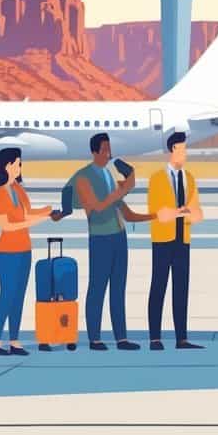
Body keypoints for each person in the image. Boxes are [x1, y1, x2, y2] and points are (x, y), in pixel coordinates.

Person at [75, 132, 155, 351]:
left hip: (119, 238)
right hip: (100, 238)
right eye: (104, 150)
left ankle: (121, 337)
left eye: (109, 149)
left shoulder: (110, 177)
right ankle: (95, 338)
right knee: (97, 288)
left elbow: (126, 214)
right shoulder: (84, 177)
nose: (108, 154)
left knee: (118, 289)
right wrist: (124, 188)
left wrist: (155, 216)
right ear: (94, 152)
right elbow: (96, 208)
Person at [0, 148, 57, 356]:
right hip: (8, 251)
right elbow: (7, 225)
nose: (20, 167)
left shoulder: (18, 189)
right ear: (8, 165)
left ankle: (15, 341)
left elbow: (27, 213)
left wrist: (48, 210)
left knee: (18, 296)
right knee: (7, 295)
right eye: (18, 164)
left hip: (24, 249)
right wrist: (41, 218)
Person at [147, 131, 205, 351]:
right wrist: (184, 211)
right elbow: (159, 213)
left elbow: (197, 213)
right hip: (163, 240)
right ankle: (155, 338)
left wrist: (181, 212)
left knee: (181, 289)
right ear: (173, 150)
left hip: (183, 239)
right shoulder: (157, 178)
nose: (186, 154)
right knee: (158, 287)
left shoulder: (189, 179)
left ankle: (182, 338)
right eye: (183, 149)